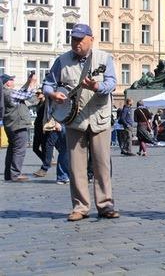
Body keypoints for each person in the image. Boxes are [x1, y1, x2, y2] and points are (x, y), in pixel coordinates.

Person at [43, 23, 120, 221]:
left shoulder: (104, 58)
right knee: (76, 166)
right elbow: (48, 84)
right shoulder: (62, 60)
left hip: (99, 117)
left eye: (80, 39)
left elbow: (112, 83)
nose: (76, 43)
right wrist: (53, 94)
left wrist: (97, 86)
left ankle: (106, 204)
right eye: (73, 39)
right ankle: (80, 206)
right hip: (74, 119)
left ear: (91, 39)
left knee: (102, 164)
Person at [3, 73, 38, 182]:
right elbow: (26, 95)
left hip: (11, 124)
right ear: (7, 82)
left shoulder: (4, 92)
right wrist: (32, 83)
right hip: (18, 125)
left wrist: (28, 82)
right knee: (19, 150)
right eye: (11, 80)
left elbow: (21, 92)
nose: (13, 81)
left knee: (12, 150)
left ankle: (9, 174)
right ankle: (15, 174)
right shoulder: (9, 93)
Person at [32, 93, 70, 184]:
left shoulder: (51, 99)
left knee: (55, 146)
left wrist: (56, 122)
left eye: (39, 93)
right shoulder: (41, 103)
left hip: (54, 125)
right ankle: (49, 166)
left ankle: (46, 167)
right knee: (60, 148)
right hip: (45, 127)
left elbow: (55, 110)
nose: (38, 95)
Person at [31, 90, 47, 167]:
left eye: (39, 93)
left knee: (44, 147)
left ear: (43, 94)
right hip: (37, 127)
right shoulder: (39, 103)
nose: (37, 95)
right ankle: (46, 160)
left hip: (43, 127)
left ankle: (45, 163)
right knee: (35, 148)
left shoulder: (46, 104)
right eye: (36, 93)